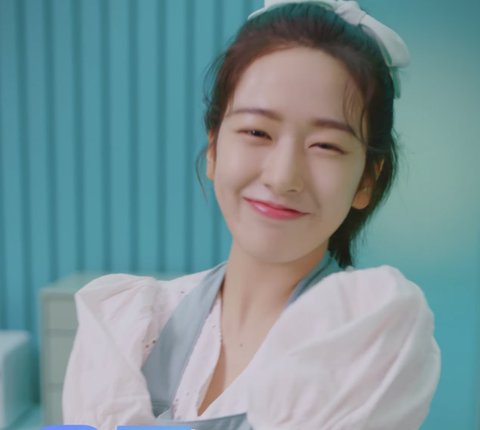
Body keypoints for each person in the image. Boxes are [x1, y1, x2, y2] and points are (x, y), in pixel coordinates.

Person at [62, 1, 440, 429]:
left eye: (326, 145)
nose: (283, 177)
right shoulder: (128, 325)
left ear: (367, 180)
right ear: (214, 148)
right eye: (257, 132)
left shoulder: (368, 337)